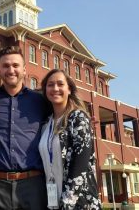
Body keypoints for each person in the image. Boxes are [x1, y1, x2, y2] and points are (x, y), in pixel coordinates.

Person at [0, 46, 50, 210]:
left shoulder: (40, 100)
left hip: (32, 185)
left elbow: (59, 120)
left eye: (15, 65)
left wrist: (80, 120)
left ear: (24, 69)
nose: (11, 70)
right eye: (6, 66)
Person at [39, 69, 102, 209]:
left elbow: (79, 166)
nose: (55, 88)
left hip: (79, 202)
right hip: (53, 199)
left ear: (69, 89)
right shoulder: (46, 124)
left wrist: (67, 203)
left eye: (60, 84)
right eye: (50, 85)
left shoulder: (78, 118)